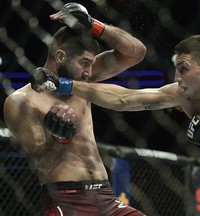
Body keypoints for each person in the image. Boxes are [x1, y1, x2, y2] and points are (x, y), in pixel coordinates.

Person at [30, 34, 200, 215]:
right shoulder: (184, 95)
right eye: (176, 68)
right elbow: (125, 99)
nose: (177, 77)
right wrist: (65, 84)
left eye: (184, 68)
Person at [3, 2, 147, 216]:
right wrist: (60, 138)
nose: (89, 72)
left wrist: (94, 26)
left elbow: (136, 53)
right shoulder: (22, 101)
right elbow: (42, 163)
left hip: (106, 197)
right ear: (60, 56)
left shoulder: (81, 81)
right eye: (84, 62)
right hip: (67, 199)